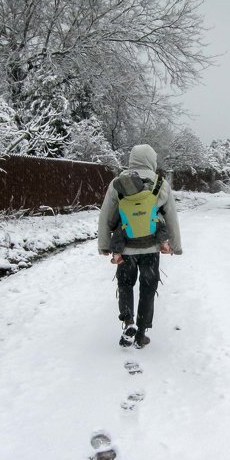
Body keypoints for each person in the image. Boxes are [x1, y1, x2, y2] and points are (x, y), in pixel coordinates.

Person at [98, 144, 182, 348]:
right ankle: (141, 333)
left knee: (125, 285)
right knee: (148, 288)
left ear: (132, 159)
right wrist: (176, 245)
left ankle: (128, 321)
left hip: (125, 248)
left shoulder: (118, 184)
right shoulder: (160, 183)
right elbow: (171, 216)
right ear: (152, 160)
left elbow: (106, 215)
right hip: (152, 248)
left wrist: (104, 244)